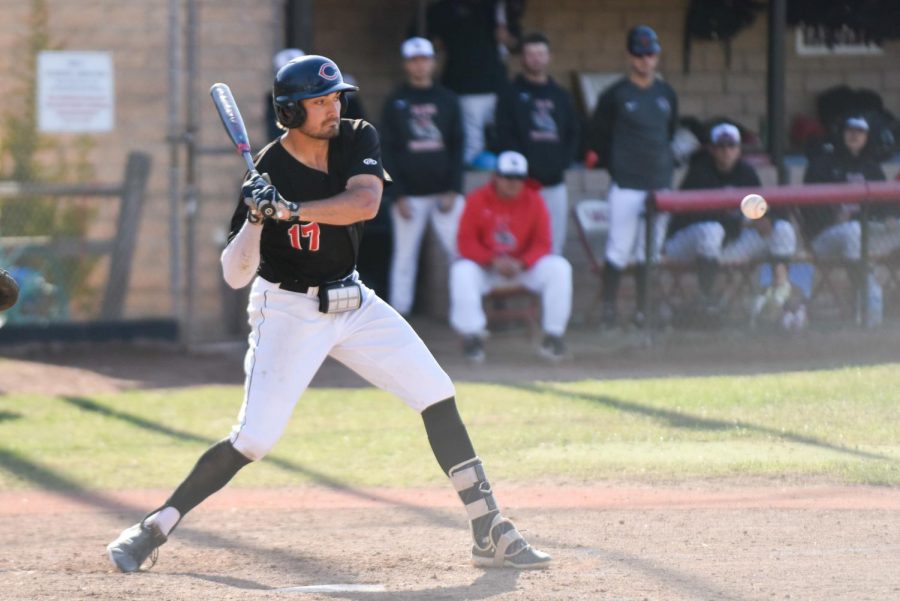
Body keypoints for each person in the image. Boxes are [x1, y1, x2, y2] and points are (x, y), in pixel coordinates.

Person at [106, 55, 550, 573]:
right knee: (253, 439)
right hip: (288, 309)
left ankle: (488, 529)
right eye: (320, 101)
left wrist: (289, 210)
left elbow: (363, 204)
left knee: (437, 391)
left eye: (335, 96)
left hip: (353, 300)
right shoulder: (267, 169)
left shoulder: (357, 137)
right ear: (290, 112)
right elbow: (234, 274)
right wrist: (255, 216)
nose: (334, 107)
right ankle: (152, 528)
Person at [587, 24, 678, 328]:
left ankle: (644, 311)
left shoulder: (666, 93)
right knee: (618, 248)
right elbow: (598, 137)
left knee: (649, 253)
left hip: (660, 183)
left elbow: (670, 132)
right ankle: (609, 310)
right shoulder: (615, 94)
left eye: (650, 54)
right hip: (627, 183)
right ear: (629, 56)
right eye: (639, 55)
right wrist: (617, 167)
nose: (645, 61)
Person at [449, 150, 572, 362]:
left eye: (518, 178)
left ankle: (554, 335)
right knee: (461, 271)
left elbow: (543, 243)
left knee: (559, 267)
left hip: (521, 268)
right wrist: (491, 260)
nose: (513, 183)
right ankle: (472, 336)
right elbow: (465, 242)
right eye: (507, 177)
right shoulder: (478, 199)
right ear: (496, 176)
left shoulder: (535, 200)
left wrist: (523, 262)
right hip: (488, 268)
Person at [665, 122, 797, 310]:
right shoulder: (700, 172)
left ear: (739, 149)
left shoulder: (745, 173)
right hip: (686, 245)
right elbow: (692, 217)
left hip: (726, 245)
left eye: (731, 146)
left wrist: (764, 220)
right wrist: (742, 220)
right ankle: (706, 299)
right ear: (712, 149)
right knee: (712, 230)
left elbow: (759, 213)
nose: (726, 151)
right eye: (721, 146)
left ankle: (780, 291)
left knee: (782, 229)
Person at [381, 37, 465, 316]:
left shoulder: (448, 99)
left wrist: (454, 188)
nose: (420, 65)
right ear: (407, 64)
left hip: (445, 194)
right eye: (414, 60)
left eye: (424, 59)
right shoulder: (395, 102)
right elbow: (387, 152)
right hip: (409, 196)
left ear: (432, 62)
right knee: (404, 259)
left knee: (459, 255)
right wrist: (397, 194)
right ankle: (399, 317)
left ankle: (465, 315)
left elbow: (458, 145)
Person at [495, 31, 579, 256]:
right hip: (522, 184)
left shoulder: (561, 95)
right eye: (530, 54)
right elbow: (504, 136)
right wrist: (523, 172)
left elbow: (573, 133)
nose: (536, 59)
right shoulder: (510, 94)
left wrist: (562, 163)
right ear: (522, 58)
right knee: (519, 243)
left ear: (549, 57)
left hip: (555, 183)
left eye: (541, 54)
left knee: (554, 244)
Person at [423, 0, 522, 164]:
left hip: (497, 86)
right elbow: (421, 39)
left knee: (504, 137)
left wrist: (507, 38)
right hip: (464, 87)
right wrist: (436, 44)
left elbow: (517, 44)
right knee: (471, 147)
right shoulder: (443, 8)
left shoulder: (498, 7)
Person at [801, 116, 887, 300]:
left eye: (860, 132)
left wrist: (885, 220)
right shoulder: (822, 163)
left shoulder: (872, 168)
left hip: (869, 236)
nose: (854, 135)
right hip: (825, 237)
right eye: (850, 131)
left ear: (867, 137)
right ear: (842, 133)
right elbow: (807, 207)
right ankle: (865, 296)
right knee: (853, 231)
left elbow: (885, 208)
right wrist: (832, 218)